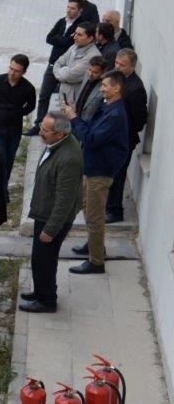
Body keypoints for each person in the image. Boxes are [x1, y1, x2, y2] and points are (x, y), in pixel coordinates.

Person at [64, 72, 129, 274]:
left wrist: (74, 118)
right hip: (91, 166)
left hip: (100, 171)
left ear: (116, 88)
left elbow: (91, 138)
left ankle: (96, 261)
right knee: (87, 207)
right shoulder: (107, 107)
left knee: (94, 218)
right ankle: (94, 245)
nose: (101, 89)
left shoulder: (115, 115)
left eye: (105, 85)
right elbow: (90, 130)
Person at [19, 112, 83, 313]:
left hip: (52, 219)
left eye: (45, 130)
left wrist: (51, 229)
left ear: (60, 134)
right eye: (41, 127)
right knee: (40, 258)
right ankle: (41, 291)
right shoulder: (57, 145)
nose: (40, 132)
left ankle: (46, 301)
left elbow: (64, 199)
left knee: (45, 259)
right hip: (44, 211)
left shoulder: (69, 157)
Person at [30, 0, 84, 135]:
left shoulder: (81, 25)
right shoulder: (61, 21)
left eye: (72, 8)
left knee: (66, 100)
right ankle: (39, 124)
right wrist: (63, 40)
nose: (69, 10)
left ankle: (63, 129)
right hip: (53, 64)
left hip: (68, 68)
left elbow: (69, 43)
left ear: (79, 10)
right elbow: (49, 38)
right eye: (68, 7)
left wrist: (60, 40)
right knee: (44, 95)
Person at [106, 48, 147, 223]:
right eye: (116, 62)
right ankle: (108, 205)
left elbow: (138, 121)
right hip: (112, 137)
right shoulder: (119, 79)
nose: (117, 66)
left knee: (118, 175)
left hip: (123, 139)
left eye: (121, 65)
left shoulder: (136, 89)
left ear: (132, 66)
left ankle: (115, 210)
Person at [0, 54, 36, 181]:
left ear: (24, 72)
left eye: (16, 71)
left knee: (9, 158)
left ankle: (3, 187)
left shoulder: (28, 88)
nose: (12, 73)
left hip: (14, 129)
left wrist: (18, 113)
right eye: (11, 68)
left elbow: (31, 106)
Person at [53, 23, 101, 115]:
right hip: (64, 94)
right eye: (75, 33)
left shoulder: (93, 55)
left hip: (76, 98)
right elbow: (58, 63)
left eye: (79, 35)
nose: (75, 37)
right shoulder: (73, 47)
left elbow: (71, 76)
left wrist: (63, 72)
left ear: (90, 38)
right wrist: (64, 73)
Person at [74, 56, 106, 123]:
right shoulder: (87, 75)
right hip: (76, 119)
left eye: (95, 72)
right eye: (89, 70)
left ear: (103, 72)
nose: (90, 74)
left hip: (89, 125)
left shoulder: (105, 87)